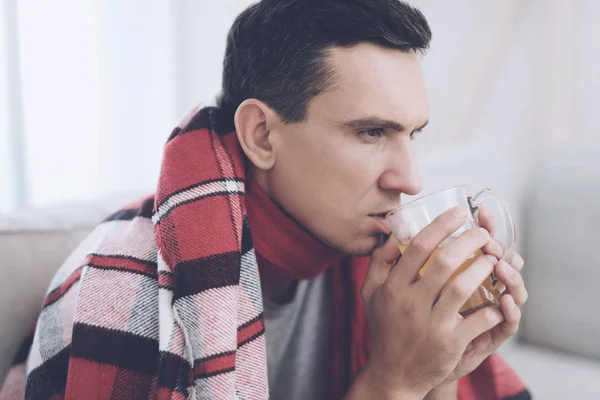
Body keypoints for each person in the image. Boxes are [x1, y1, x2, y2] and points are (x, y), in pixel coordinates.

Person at [1, 0, 531, 399]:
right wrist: (393, 380)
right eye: (371, 132)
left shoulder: (371, 262)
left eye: (412, 134)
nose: (409, 179)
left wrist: (439, 370)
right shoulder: (122, 295)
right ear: (261, 135)